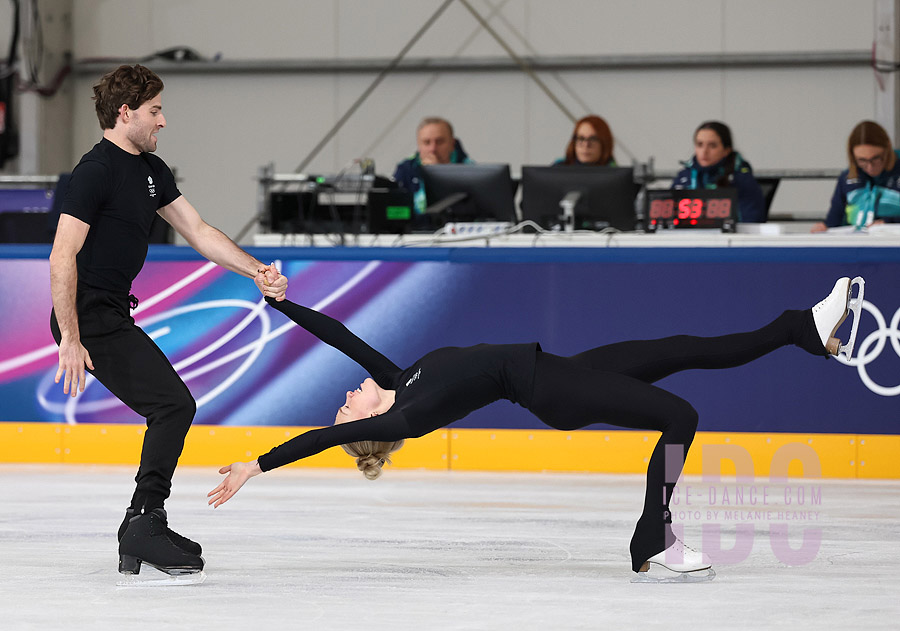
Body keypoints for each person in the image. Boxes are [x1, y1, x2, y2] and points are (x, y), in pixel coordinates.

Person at [208, 277, 861, 581]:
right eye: (345, 409)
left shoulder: (396, 375)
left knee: (681, 344)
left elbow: (341, 336)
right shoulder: (407, 412)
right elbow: (324, 440)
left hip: (556, 368)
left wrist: (281, 300)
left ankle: (799, 328)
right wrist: (256, 465)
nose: (344, 398)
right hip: (553, 390)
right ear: (370, 425)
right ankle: (652, 536)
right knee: (680, 416)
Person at [48, 64, 288, 578]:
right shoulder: (96, 171)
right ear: (125, 112)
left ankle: (143, 523)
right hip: (88, 314)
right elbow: (62, 256)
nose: (163, 121)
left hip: (110, 310)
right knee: (173, 405)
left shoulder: (153, 171)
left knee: (172, 405)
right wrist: (70, 336)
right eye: (154, 111)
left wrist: (256, 271)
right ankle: (142, 522)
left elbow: (199, 231)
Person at [811, 120, 900, 232]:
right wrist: (824, 228)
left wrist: (890, 223)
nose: (870, 167)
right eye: (862, 161)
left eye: (876, 158)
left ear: (887, 150)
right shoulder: (848, 178)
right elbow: (834, 220)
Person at [672, 121, 766, 223]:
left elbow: (751, 223)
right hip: (688, 238)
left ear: (726, 150)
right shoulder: (684, 178)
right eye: (700, 144)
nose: (704, 151)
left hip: (729, 238)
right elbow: (670, 221)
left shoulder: (742, 179)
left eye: (712, 146)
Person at [392, 117, 472, 217]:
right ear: (419, 146)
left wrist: (437, 174)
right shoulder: (405, 169)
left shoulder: (470, 170)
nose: (432, 149)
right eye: (426, 142)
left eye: (439, 142)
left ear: (452, 143)